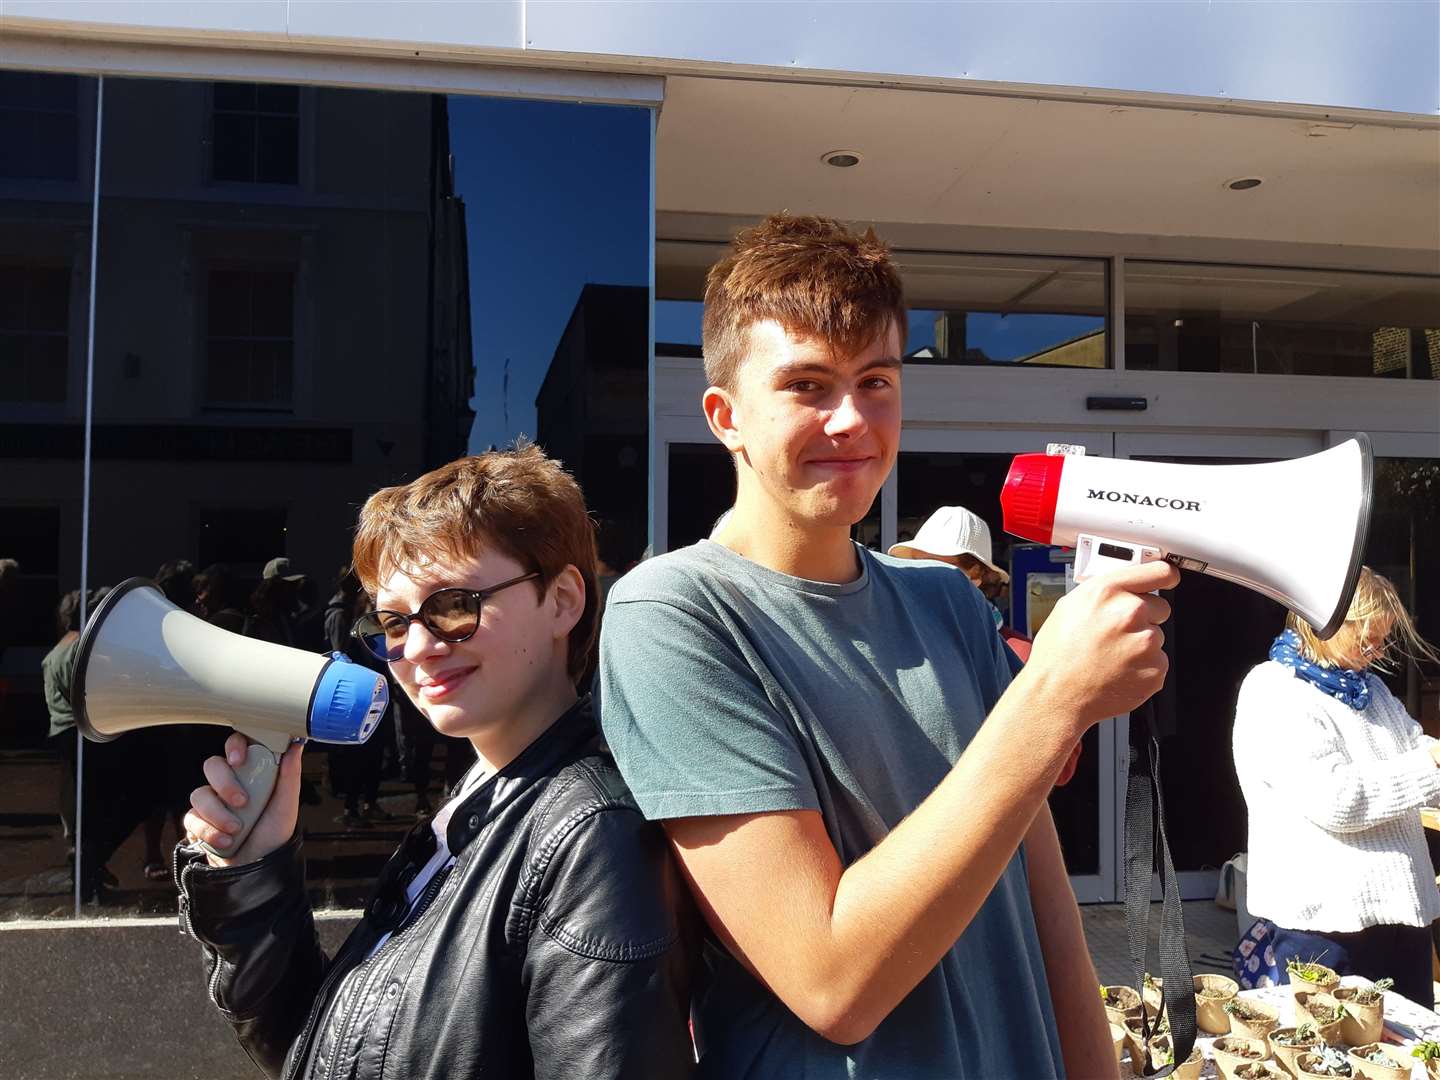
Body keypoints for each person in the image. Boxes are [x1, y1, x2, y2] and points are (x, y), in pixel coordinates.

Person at [599, 214, 1175, 1078]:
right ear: (725, 417)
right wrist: (1053, 696)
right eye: (806, 385)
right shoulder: (673, 613)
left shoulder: (947, 602)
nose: (852, 420)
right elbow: (832, 982)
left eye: (876, 381)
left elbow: (1049, 913)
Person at [176, 445, 697, 1080]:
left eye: (453, 606)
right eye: (393, 623)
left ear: (562, 601)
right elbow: (312, 1051)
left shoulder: (592, 835)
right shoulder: (478, 802)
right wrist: (253, 870)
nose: (416, 648)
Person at [1232, 566, 1440, 1008]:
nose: (1377, 648)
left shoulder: (1373, 690)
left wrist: (1431, 763)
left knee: (1413, 1063)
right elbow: (1338, 800)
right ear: (1321, 621)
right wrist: (1430, 767)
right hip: (1326, 927)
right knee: (1325, 1061)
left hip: (1404, 917)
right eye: (1366, 636)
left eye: (1382, 637)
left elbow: (1420, 752)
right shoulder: (1274, 690)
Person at [889, 505, 1083, 786]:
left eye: (939, 570)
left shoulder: (1021, 654)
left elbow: (1062, 767)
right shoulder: (897, 648)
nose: (922, 580)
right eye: (915, 567)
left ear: (977, 577)